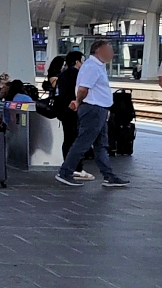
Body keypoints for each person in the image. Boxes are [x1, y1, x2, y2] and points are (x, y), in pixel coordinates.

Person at [56, 39, 130, 188]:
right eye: (108, 50)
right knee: (83, 142)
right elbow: (84, 88)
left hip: (99, 109)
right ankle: (65, 172)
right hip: (93, 109)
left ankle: (108, 175)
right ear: (98, 51)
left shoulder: (97, 66)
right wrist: (78, 101)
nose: (112, 54)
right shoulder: (92, 67)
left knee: (100, 144)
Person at [56, 51, 84, 157]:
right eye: (83, 61)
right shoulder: (78, 75)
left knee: (68, 138)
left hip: (63, 110)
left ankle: (67, 164)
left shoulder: (62, 74)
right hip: (75, 110)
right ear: (77, 62)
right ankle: (75, 166)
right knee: (76, 139)